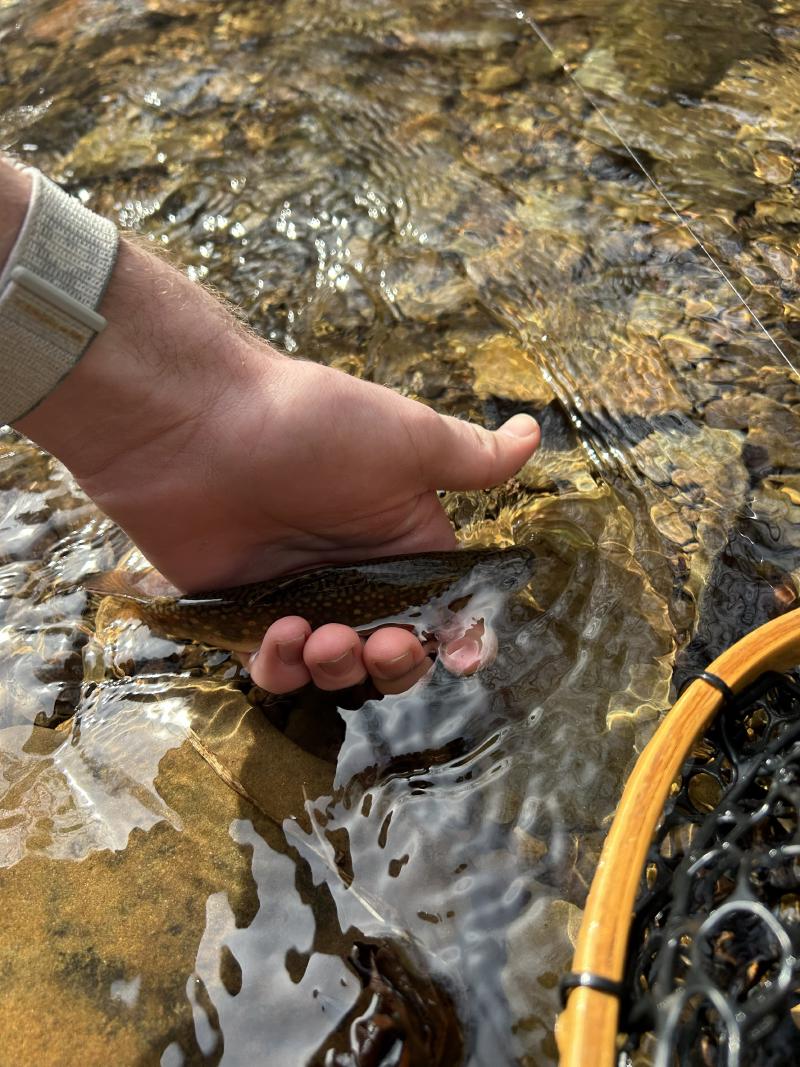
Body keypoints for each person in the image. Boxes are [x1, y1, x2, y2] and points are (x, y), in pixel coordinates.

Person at [0, 158, 540, 696]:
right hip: (242, 600)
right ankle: (136, 606)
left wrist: (188, 415)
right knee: (314, 643)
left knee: (302, 642)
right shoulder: (453, 588)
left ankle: (137, 605)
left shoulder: (447, 582)